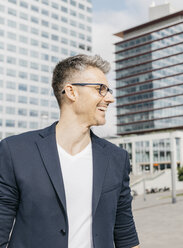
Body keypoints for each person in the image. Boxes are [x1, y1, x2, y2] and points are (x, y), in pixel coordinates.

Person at [0, 55, 140, 248]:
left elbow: (126, 234)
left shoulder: (117, 158)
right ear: (71, 92)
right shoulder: (15, 151)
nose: (110, 98)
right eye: (101, 89)